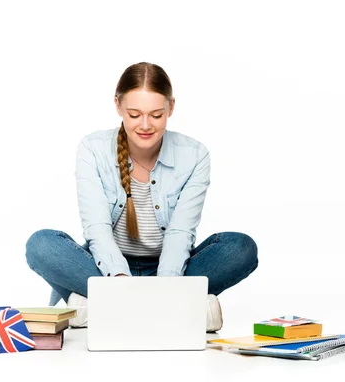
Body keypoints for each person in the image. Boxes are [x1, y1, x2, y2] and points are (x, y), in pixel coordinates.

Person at [25, 62, 259, 332]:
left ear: (171, 107)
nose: (145, 125)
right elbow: (97, 229)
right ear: (118, 106)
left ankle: (97, 308)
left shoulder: (194, 155)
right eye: (134, 114)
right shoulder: (93, 148)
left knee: (240, 248)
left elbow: (181, 232)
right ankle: (181, 310)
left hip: (170, 270)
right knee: (41, 245)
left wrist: (165, 285)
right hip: (103, 271)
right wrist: (120, 280)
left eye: (157, 115)